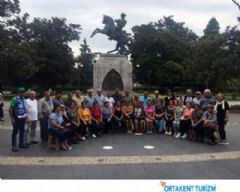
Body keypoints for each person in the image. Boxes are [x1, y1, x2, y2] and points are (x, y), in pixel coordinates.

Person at [9, 87, 28, 152]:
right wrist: (12, 118)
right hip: (16, 118)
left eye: (24, 92)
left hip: (22, 118)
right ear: (19, 93)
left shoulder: (24, 99)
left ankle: (21, 144)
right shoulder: (14, 99)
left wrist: (26, 117)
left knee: (22, 131)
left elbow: (25, 109)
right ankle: (14, 146)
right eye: (22, 92)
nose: (23, 94)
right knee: (15, 132)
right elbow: (10, 109)